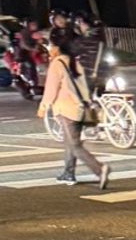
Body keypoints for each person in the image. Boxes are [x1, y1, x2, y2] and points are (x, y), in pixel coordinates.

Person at [41, 29, 108, 189]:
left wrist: (43, 106)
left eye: (51, 45)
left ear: (57, 48)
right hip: (79, 108)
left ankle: (99, 169)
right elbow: (83, 86)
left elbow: (51, 89)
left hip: (66, 109)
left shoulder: (57, 64)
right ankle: (68, 173)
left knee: (75, 145)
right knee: (70, 142)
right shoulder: (74, 63)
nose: (50, 48)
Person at [71, 10, 106, 86]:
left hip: (89, 75)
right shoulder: (99, 37)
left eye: (83, 23)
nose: (82, 25)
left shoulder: (84, 40)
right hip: (95, 75)